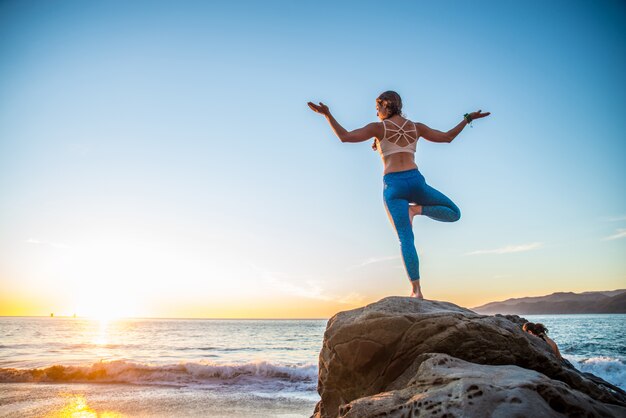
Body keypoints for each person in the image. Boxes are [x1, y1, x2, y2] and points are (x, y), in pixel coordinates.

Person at [308, 91, 490, 299]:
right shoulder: (416, 127)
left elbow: (345, 137)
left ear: (386, 106)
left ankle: (416, 290)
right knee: (454, 213)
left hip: (394, 187)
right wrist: (467, 119)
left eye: (378, 109)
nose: (376, 113)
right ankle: (418, 210)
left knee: (406, 239)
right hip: (415, 182)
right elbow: (447, 137)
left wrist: (327, 115)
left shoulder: (378, 128)